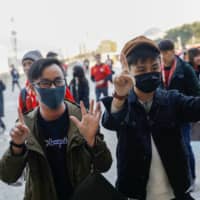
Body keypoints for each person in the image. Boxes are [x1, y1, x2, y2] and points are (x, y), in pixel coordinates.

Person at [101, 35, 199, 200]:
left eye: (154, 67)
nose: (150, 73)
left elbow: (195, 107)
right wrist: (119, 97)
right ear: (128, 71)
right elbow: (110, 122)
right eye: (141, 69)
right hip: (136, 194)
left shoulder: (172, 100)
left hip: (176, 192)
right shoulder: (123, 104)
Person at [0, 58, 112, 200]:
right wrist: (16, 146)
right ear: (34, 88)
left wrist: (93, 142)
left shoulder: (82, 118)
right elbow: (7, 176)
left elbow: (105, 165)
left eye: (58, 81)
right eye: (45, 83)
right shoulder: (26, 125)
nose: (53, 87)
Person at [158, 39, 200, 185]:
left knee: (185, 147)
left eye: (165, 53)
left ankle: (191, 178)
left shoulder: (185, 68)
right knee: (171, 149)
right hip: (164, 116)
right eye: (161, 53)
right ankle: (178, 178)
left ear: (172, 51)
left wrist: (193, 112)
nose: (163, 57)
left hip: (182, 115)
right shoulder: (158, 69)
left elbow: (196, 92)